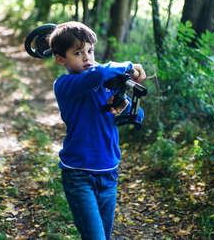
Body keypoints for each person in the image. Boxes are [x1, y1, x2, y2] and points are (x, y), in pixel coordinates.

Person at [48, 21, 146, 239]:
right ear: (60, 58)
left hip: (109, 172)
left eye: (90, 51)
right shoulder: (64, 85)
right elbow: (98, 74)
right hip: (79, 174)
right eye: (78, 53)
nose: (87, 58)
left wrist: (123, 106)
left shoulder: (105, 82)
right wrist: (129, 66)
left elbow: (138, 116)